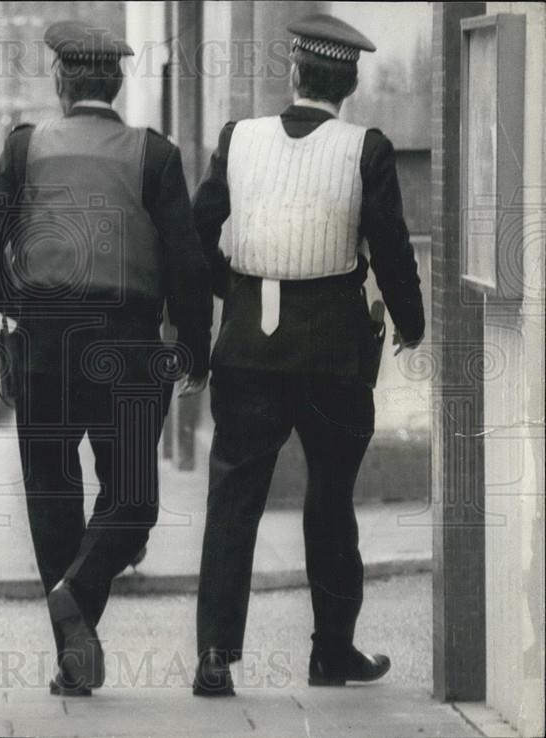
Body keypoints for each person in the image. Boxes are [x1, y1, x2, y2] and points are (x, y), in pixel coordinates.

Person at [0, 20, 212, 696]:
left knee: (52, 495)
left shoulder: (25, 148)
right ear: (119, 84)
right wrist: (194, 346)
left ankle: (73, 644)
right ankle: (77, 619)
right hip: (130, 347)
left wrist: (16, 304)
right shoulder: (153, 156)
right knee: (132, 496)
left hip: (44, 346)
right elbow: (187, 262)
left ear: (62, 82)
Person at [191, 14, 426, 696]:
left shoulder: (238, 140)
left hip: (248, 349)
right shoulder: (368, 148)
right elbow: (391, 247)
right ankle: (332, 651)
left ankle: (215, 656)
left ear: (294, 74)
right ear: (348, 85)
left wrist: (229, 293)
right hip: (334, 353)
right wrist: (409, 324)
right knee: (331, 498)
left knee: (234, 501)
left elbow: (200, 229)